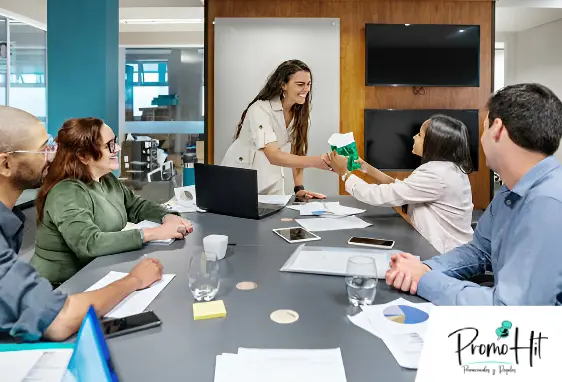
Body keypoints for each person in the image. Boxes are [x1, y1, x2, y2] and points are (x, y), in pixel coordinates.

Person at [385, 83, 562, 306]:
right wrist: (426, 268)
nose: (481, 138)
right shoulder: (510, 191)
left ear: (497, 128)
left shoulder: (548, 204)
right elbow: (479, 251)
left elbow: (509, 310)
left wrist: (425, 279)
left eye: (484, 128)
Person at [0, 106, 164, 342]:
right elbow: (59, 319)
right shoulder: (66, 191)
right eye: (43, 150)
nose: (53, 156)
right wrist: (135, 280)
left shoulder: (9, 220)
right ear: (6, 164)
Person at [31, 117, 193, 285]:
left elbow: (136, 206)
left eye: (115, 142)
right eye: (109, 145)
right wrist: (154, 233)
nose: (118, 148)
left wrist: (167, 216)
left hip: (94, 273)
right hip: (58, 287)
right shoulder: (66, 192)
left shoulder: (106, 179)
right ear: (83, 156)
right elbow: (89, 244)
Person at [330, 115, 474, 254]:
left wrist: (344, 173)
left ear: (434, 144)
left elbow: (382, 195)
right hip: (455, 249)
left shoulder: (435, 175)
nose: (414, 137)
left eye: (420, 135)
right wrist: (367, 168)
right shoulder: (448, 169)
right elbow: (402, 189)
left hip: (446, 254)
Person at [221, 59, 331, 198]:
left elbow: (297, 151)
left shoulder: (300, 117)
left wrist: (299, 188)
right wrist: (317, 161)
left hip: (271, 181)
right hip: (239, 179)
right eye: (300, 84)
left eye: (308, 84)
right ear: (283, 84)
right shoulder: (259, 109)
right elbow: (273, 155)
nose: (306, 89)